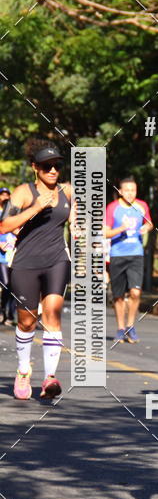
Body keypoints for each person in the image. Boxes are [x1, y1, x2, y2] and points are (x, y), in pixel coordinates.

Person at [0, 140, 73, 400]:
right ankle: (23, 371)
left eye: (57, 166)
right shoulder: (23, 192)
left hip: (57, 260)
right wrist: (37, 207)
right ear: (35, 168)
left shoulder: (68, 191)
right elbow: (4, 225)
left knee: (52, 312)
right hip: (25, 263)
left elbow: (76, 225)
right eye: (46, 166)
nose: (53, 170)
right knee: (27, 321)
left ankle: (49, 378)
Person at [104, 178, 153, 343]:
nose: (130, 193)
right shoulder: (112, 208)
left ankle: (131, 327)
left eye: (133, 190)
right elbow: (105, 232)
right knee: (118, 296)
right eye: (127, 190)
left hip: (136, 254)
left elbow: (149, 223)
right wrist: (121, 229)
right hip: (117, 254)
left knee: (135, 292)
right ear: (120, 191)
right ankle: (120, 328)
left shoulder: (142, 206)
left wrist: (147, 227)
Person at [0, 187, 17, 325]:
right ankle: (2, 310)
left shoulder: (15, 213)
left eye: (7, 195)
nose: (5, 197)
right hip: (2, 256)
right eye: (2, 195)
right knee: (6, 284)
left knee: (14, 286)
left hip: (15, 254)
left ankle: (10, 314)